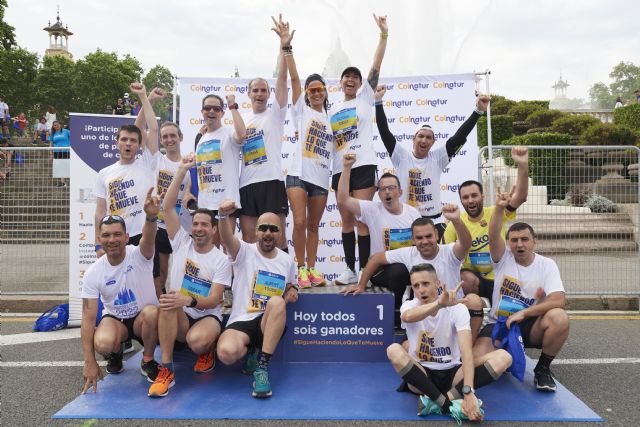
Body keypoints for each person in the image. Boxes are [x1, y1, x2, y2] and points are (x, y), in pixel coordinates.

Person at [147, 154, 232, 398]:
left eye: (205, 224)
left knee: (197, 342)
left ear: (214, 230)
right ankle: (167, 370)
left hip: (206, 316)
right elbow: (166, 207)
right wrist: (182, 170)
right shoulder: (182, 241)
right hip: (181, 315)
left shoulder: (221, 259)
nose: (199, 228)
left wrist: (189, 300)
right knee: (166, 303)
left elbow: (216, 299)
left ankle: (209, 348)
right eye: (196, 224)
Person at [386, 263, 512, 422]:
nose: (421, 290)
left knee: (504, 357)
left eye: (425, 283)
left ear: (437, 283)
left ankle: (436, 402)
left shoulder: (457, 309)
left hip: (453, 375)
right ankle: (447, 405)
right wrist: (439, 304)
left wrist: (468, 391)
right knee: (393, 350)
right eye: (416, 286)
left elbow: (466, 352)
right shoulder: (409, 305)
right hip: (422, 375)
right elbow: (408, 317)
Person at [473, 187, 570, 392]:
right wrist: (499, 209)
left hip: (528, 326)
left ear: (534, 241)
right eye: (514, 240)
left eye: (525, 239)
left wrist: (525, 313)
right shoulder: (502, 258)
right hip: (498, 323)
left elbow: (558, 300)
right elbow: (492, 234)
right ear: (508, 243)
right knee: (476, 363)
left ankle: (542, 369)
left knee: (559, 317)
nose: (519, 244)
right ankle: (505, 355)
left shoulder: (547, 264)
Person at [344, 210, 484, 341]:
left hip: (451, 312)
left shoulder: (449, 252)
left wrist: (456, 220)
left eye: (428, 236)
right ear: (413, 239)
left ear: (436, 234)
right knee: (402, 350)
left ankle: (466, 349)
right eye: (419, 238)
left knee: (475, 301)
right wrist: (361, 285)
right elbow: (376, 258)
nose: (424, 241)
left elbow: (466, 244)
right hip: (425, 312)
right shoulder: (408, 253)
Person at [375, 88, 490, 242]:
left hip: (434, 222)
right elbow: (384, 132)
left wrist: (478, 111)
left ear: (433, 142)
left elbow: (459, 137)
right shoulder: (401, 157)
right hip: (406, 221)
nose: (424, 140)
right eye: (420, 136)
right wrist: (378, 102)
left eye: (428, 137)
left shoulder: (438, 158)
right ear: (413, 138)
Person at [80, 188, 161, 394]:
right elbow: (88, 319)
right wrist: (89, 361)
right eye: (106, 235)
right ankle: (115, 353)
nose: (112, 239)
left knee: (153, 313)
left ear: (126, 237)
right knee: (103, 343)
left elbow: (149, 238)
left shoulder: (140, 254)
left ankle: (148, 360)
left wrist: (151, 216)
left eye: (117, 234)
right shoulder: (93, 272)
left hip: (143, 320)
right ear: (100, 239)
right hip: (116, 320)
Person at [215, 198, 298, 398]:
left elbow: (290, 284)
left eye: (273, 229)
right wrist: (223, 216)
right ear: (256, 232)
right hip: (242, 320)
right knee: (226, 353)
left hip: (267, 321)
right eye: (263, 228)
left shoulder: (287, 260)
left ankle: (261, 368)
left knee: (277, 301)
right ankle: (250, 351)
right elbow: (227, 238)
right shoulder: (243, 250)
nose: (268, 233)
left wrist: (292, 289)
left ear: (280, 233)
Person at [331, 14, 389, 285]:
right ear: (340, 83)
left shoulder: (365, 99)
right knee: (345, 220)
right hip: (339, 170)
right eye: (347, 77)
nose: (352, 80)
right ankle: (349, 269)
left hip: (364, 165)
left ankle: (365, 269)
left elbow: (375, 67)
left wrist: (383, 36)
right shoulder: (332, 108)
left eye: (355, 77)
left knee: (362, 220)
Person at [275, 17, 332, 288]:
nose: (316, 92)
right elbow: (295, 78)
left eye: (320, 89)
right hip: (297, 174)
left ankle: (312, 268)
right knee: (299, 222)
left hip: (321, 178)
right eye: (312, 90)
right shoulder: (301, 110)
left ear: (325, 93)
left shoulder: (332, 119)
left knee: (313, 226)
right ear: (307, 94)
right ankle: (299, 268)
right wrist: (287, 48)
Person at [444, 147, 529, 303]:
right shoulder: (454, 223)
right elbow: (448, 260)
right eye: (466, 197)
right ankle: (476, 310)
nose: (470, 200)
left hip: (501, 275)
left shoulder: (496, 211)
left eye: (474, 195)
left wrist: (522, 165)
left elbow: (521, 197)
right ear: (461, 200)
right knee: (465, 278)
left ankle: (495, 308)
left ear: (482, 196)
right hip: (474, 279)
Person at [134, 87, 193, 296]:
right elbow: (146, 126)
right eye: (165, 136)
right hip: (155, 225)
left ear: (181, 137)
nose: (168, 139)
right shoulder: (155, 159)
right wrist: (145, 97)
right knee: (158, 276)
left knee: (177, 275)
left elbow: (190, 193)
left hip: (177, 227)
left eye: (173, 136)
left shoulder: (188, 163)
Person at [237, 14, 290, 251]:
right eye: (255, 90)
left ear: (269, 94)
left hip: (272, 181)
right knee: (249, 238)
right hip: (246, 184)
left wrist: (283, 45)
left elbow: (281, 77)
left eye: (263, 90)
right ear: (248, 94)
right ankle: (250, 286)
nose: (259, 93)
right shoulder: (240, 121)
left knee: (278, 237)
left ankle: (286, 285)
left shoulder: (276, 114)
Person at [195, 92, 246, 243]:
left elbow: (242, 134)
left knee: (227, 248)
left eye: (216, 109)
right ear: (202, 111)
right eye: (207, 108)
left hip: (226, 202)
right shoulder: (201, 139)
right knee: (209, 249)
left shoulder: (229, 132)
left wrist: (232, 106)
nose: (211, 111)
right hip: (205, 202)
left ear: (222, 113)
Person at [48, 120, 71, 187]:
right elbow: (50, 143)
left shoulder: (66, 131)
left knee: (66, 166)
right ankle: (63, 182)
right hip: (56, 152)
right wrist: (51, 154)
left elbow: (74, 139)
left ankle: (69, 181)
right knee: (60, 167)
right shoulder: (53, 133)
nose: (56, 126)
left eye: (57, 124)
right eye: (54, 125)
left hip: (66, 151)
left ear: (60, 125)